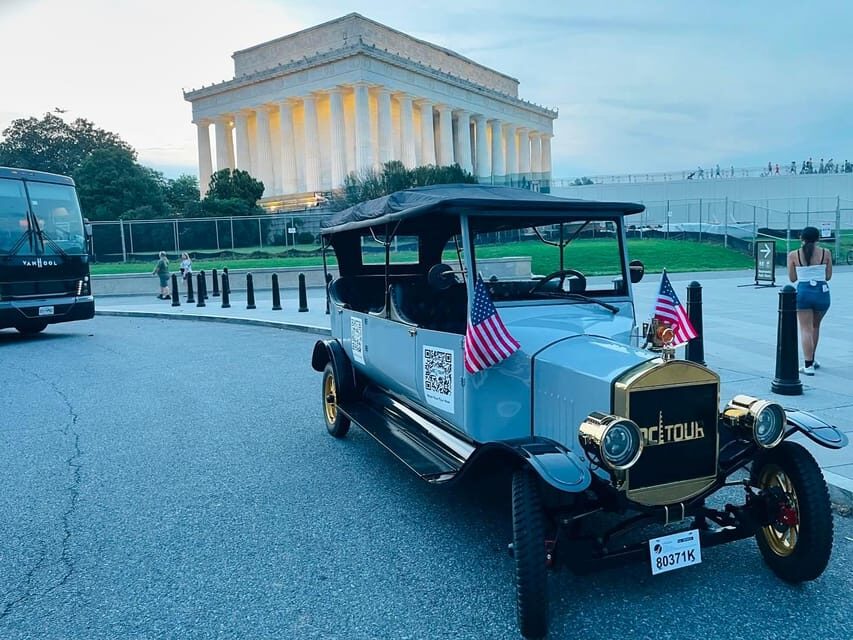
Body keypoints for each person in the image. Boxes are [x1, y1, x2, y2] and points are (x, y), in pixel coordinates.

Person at [787, 227, 832, 375]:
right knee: (815, 326)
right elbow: (828, 276)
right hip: (822, 292)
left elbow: (792, 278)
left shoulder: (794, 255)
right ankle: (812, 359)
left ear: (801, 238)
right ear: (818, 238)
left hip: (804, 292)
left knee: (805, 329)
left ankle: (808, 365)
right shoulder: (826, 253)